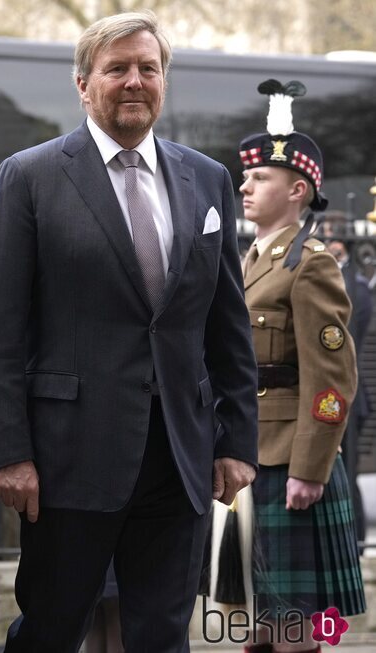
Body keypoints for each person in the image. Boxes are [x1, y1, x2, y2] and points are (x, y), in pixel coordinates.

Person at [0, 11, 259, 652]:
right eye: (117, 69)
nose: (134, 81)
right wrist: (9, 452)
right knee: (51, 628)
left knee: (161, 635)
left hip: (179, 459)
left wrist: (236, 439)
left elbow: (227, 324)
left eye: (147, 69)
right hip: (69, 461)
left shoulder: (206, 179)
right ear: (83, 83)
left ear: (164, 82)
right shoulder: (31, 176)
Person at [237, 81, 365, 650]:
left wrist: (310, 469)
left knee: (296, 630)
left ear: (297, 190)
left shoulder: (310, 265)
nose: (245, 184)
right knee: (255, 625)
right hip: (247, 457)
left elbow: (331, 379)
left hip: (291, 461)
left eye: (260, 176)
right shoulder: (249, 259)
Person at [327, 238, 371, 548]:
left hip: (352, 397)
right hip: (328, 391)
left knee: (347, 465)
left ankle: (355, 537)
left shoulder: (355, 285)